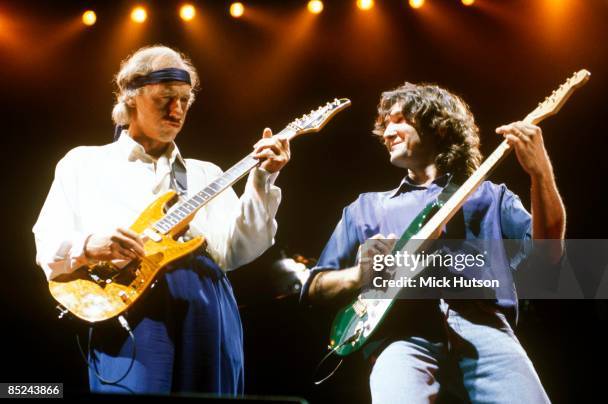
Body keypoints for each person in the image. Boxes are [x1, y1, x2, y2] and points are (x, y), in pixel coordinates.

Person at [32, 45, 290, 395]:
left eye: (185, 100)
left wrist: (263, 179)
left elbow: (239, 250)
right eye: (166, 98)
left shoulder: (205, 173)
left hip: (208, 308)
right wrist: (91, 246)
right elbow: (48, 241)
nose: (177, 110)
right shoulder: (83, 164)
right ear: (131, 97)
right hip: (130, 310)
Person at [303, 83, 565, 403]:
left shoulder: (490, 196)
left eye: (399, 120)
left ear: (439, 126)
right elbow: (315, 286)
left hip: (486, 329)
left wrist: (541, 174)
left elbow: (549, 257)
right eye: (384, 126)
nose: (388, 133)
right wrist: (357, 275)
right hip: (399, 338)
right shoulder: (366, 208)